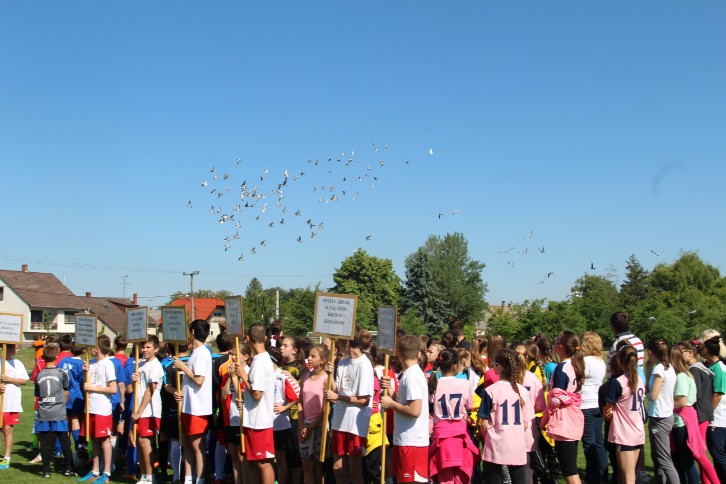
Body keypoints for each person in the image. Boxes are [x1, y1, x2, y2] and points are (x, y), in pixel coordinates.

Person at [325, 329, 374, 484]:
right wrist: (330, 374)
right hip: (339, 420)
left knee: (354, 469)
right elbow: (337, 390)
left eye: (339, 343)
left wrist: (338, 397)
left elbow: (364, 400)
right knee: (337, 467)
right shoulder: (342, 362)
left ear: (347, 343)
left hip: (355, 424)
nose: (338, 347)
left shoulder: (364, 364)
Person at [478, 348, 534, 484]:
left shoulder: (490, 390)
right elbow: (526, 423)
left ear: (500, 366)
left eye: (494, 364)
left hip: (495, 445)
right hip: (516, 444)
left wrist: (488, 437)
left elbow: (484, 423)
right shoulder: (522, 391)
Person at [380, 334, 429, 484]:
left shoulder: (412, 376)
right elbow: (404, 402)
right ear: (419, 353)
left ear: (399, 354)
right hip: (406, 439)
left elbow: (415, 410)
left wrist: (390, 404)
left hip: (412, 441)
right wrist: (390, 390)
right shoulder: (410, 374)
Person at [429, 348, 479, 483]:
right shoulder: (464, 383)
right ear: (455, 366)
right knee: (461, 475)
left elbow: (431, 406)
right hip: (460, 434)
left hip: (441, 435)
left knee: (444, 475)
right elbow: (469, 406)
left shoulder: (434, 383)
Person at [671, 342, 719, 484]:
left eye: (681, 351)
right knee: (698, 453)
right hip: (702, 413)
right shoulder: (699, 368)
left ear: (690, 352)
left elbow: (692, 396)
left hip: (698, 414)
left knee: (699, 454)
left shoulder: (694, 371)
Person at [236, 323, 276, 484]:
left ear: (247, 338)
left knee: (263, 463)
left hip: (260, 422)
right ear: (265, 338)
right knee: (252, 461)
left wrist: (243, 375)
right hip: (253, 419)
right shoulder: (260, 359)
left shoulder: (260, 362)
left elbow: (257, 394)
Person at [174, 320, 213, 484]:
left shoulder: (202, 353)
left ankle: (200, 478)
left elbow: (199, 380)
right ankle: (188, 478)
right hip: (188, 405)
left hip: (198, 407)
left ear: (192, 332)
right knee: (188, 444)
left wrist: (183, 367)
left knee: (197, 445)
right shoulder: (195, 352)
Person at [78, 334, 118, 484]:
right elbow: (87, 384)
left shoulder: (108, 364)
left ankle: (106, 472)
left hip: (102, 408)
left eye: (92, 347)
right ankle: (95, 471)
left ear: (97, 348)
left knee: (104, 440)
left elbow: (113, 389)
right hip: (90, 407)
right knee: (94, 439)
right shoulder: (92, 363)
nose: (90, 349)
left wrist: (93, 388)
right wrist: (85, 372)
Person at [604, 345, 645, 484]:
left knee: (628, 478)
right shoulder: (639, 380)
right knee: (630, 475)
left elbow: (608, 409)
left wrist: (609, 412)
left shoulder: (618, 382)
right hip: (637, 431)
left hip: (624, 434)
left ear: (619, 362)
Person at [548, 331, 585, 484]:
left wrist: (548, 414)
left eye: (556, 341)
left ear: (561, 347)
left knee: (569, 471)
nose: (554, 344)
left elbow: (557, 396)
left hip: (565, 419)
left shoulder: (562, 368)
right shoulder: (574, 365)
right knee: (569, 467)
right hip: (573, 415)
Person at [35, 343, 75, 478]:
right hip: (58, 411)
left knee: (45, 441)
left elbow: (38, 394)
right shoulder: (61, 373)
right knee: (64, 439)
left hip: (44, 411)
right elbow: (66, 391)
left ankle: (46, 470)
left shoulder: (39, 375)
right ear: (56, 356)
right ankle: (68, 468)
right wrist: (62, 404)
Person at [645, 338, 678, 484]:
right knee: (658, 457)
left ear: (650, 352)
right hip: (665, 414)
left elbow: (653, 395)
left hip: (659, 417)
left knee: (664, 460)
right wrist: (648, 371)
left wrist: (643, 394)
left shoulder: (659, 369)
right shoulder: (669, 367)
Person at [131, 338, 164, 484]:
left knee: (145, 442)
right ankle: (144, 475)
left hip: (149, 410)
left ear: (156, 349)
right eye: (143, 347)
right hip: (139, 408)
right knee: (139, 441)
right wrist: (134, 380)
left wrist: (139, 412)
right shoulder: (141, 364)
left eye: (148, 347)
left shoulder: (155, 365)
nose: (144, 350)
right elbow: (138, 387)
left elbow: (150, 390)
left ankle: (150, 477)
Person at [580, 331, 608, 484]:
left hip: (586, 403)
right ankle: (602, 473)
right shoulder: (600, 361)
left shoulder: (585, 361)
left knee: (589, 442)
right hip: (597, 402)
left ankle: (593, 477)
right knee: (598, 441)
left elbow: (579, 379)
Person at [698, 331, 726, 482]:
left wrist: (706, 414)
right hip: (718, 418)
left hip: (718, 419)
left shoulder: (718, 368)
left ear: (707, 350)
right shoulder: (714, 367)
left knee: (718, 454)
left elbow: (717, 395)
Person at [279, 335, 307, 484]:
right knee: (282, 453)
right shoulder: (279, 366)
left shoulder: (301, 368)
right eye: (281, 345)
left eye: (285, 345)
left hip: (295, 416)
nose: (281, 348)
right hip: (279, 416)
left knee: (294, 451)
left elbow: (302, 393)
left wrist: (291, 379)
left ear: (294, 350)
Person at [298, 344, 328, 484]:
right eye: (309, 355)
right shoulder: (305, 377)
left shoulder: (327, 379)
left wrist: (311, 427)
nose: (309, 358)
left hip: (319, 428)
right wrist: (302, 425)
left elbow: (326, 409)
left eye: (313, 356)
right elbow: (300, 401)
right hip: (304, 426)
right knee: (306, 465)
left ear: (323, 360)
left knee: (317, 466)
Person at [0, 343, 28, 471]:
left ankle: (7, 457)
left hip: (11, 402)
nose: (17, 350)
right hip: (1, 401)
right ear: (9, 348)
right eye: (16, 347)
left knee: (7, 429)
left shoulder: (18, 363)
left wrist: (9, 379)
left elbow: (23, 381)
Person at [60, 343, 86, 453]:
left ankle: (64, 448)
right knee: (75, 419)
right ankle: (78, 446)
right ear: (84, 351)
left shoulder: (63, 360)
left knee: (66, 420)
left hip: (63, 394)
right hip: (76, 395)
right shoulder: (82, 364)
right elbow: (83, 382)